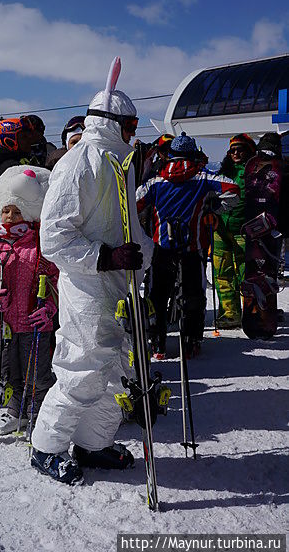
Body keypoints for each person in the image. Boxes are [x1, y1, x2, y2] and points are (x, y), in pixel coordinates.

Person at [30, 57, 155, 486]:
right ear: (111, 122)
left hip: (118, 287)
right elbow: (54, 238)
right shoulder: (78, 163)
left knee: (115, 371)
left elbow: (130, 230)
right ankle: (46, 447)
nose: (134, 133)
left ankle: (92, 441)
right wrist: (107, 257)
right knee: (82, 369)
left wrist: (149, 256)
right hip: (86, 287)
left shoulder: (122, 165)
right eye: (130, 124)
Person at [136, 131, 240, 359]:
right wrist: (215, 207)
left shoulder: (155, 180)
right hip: (193, 248)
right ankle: (190, 342)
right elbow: (233, 190)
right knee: (192, 295)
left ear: (170, 154)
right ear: (193, 153)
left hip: (161, 249)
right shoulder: (203, 177)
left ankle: (157, 343)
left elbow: (134, 202)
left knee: (157, 295)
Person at [0, 165, 58, 435]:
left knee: (37, 371)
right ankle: (13, 409)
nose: (10, 217)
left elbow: (57, 281)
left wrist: (50, 306)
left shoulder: (40, 244)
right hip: (4, 324)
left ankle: (37, 409)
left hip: (35, 324)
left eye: (18, 211)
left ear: (31, 213)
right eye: (6, 211)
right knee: (8, 370)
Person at [213, 134, 256, 329]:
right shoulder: (223, 172)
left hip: (244, 230)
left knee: (247, 274)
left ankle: (253, 313)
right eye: (233, 150)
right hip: (221, 229)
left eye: (240, 149)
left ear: (250, 151)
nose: (236, 153)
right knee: (222, 273)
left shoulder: (256, 172)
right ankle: (230, 314)